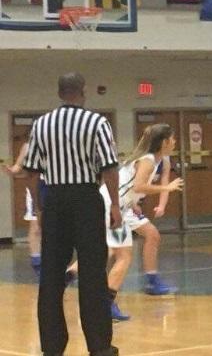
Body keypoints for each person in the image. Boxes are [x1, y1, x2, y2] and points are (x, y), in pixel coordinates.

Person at [23, 73, 120, 356]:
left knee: (51, 277)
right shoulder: (97, 122)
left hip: (55, 199)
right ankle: (99, 347)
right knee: (93, 275)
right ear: (83, 91)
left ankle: (52, 347)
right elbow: (110, 168)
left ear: (59, 91)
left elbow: (30, 173)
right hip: (86, 199)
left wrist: (41, 207)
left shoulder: (41, 124)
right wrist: (114, 204)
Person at [68, 124, 184, 321]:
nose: (174, 142)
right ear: (164, 142)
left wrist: (133, 202)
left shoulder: (153, 159)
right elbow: (139, 185)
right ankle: (107, 303)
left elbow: (132, 187)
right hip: (112, 207)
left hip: (116, 206)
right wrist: (168, 188)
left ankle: (71, 275)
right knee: (123, 255)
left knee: (113, 251)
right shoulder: (147, 161)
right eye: (172, 139)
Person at [2, 142, 42, 277]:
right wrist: (10, 170)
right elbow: (17, 167)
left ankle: (59, 263)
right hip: (37, 189)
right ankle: (37, 263)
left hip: (58, 188)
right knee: (36, 227)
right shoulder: (27, 147)